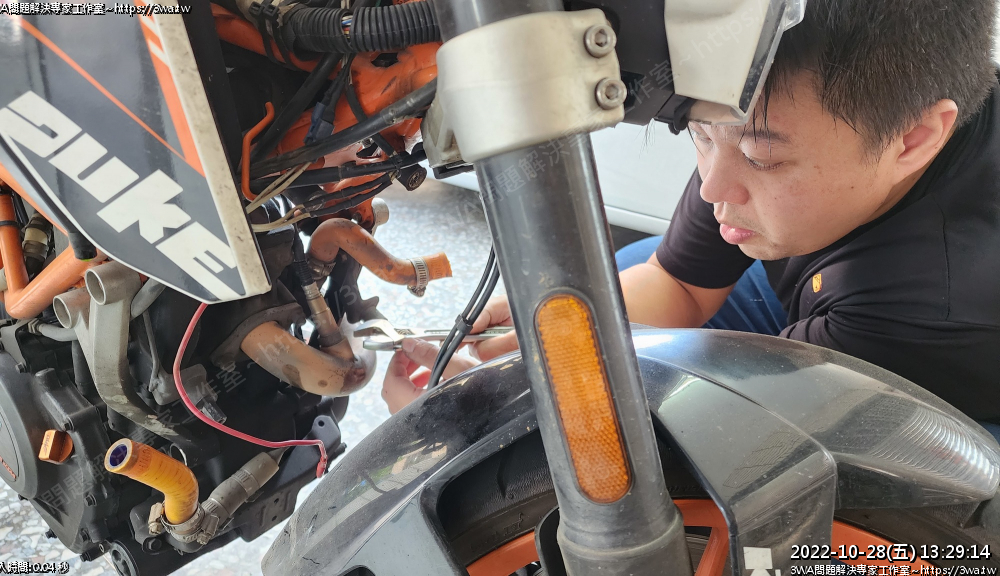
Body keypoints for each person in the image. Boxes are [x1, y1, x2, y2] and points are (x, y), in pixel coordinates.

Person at [383, 0, 1000, 429]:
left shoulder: (933, 307)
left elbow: (736, 438)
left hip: (938, 394)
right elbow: (678, 283)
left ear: (914, 139)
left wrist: (488, 415)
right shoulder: (770, 119)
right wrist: (539, 339)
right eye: (699, 134)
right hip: (837, 292)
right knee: (616, 280)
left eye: (762, 158)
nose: (713, 187)